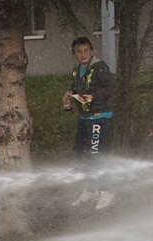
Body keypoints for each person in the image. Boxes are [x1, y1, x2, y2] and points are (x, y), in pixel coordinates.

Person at [63, 36, 116, 209]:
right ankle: (91, 188)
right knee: (81, 153)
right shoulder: (77, 69)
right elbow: (76, 88)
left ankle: (107, 191)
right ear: (74, 54)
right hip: (84, 118)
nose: (83, 54)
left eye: (86, 50)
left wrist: (93, 96)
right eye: (78, 51)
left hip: (98, 117)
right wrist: (69, 96)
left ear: (91, 51)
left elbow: (111, 87)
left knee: (96, 154)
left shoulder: (99, 67)